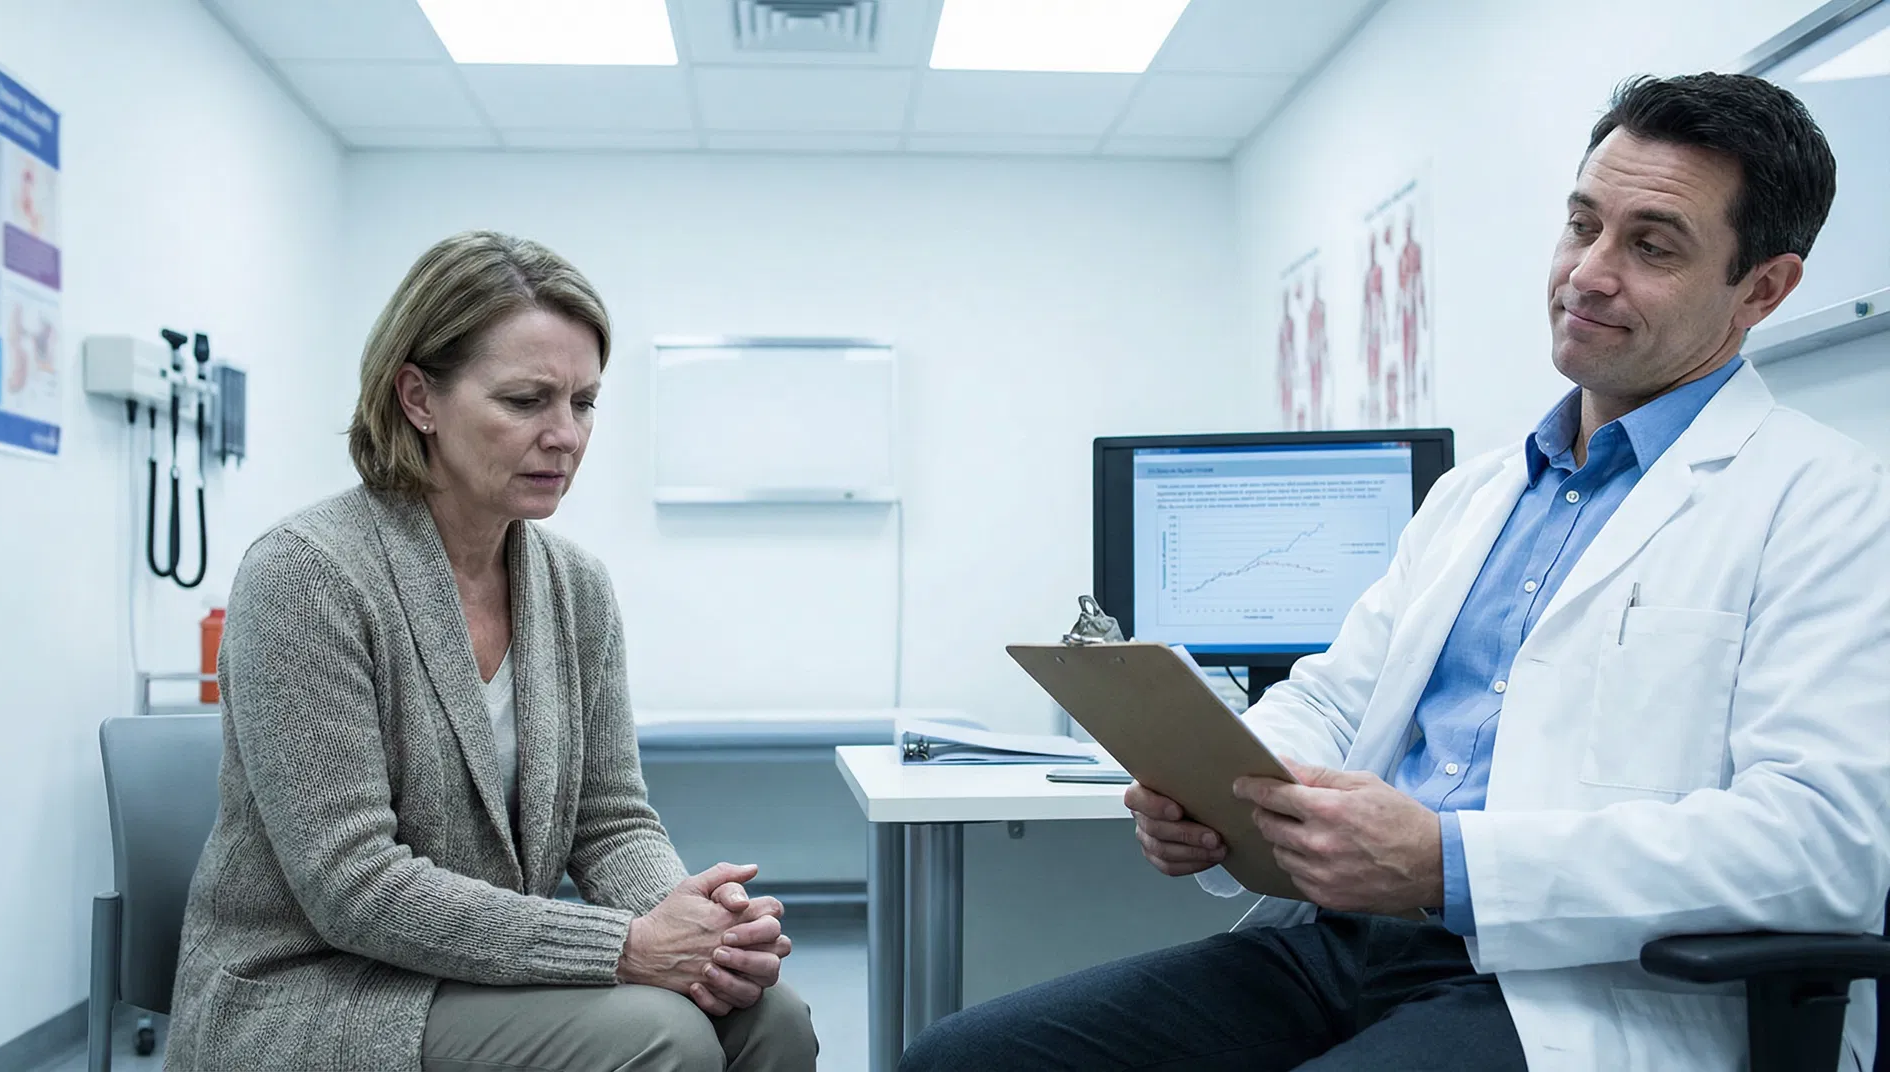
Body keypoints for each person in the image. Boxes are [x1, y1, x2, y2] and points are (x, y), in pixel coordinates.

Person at [903, 73, 1889, 1072]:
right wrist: (1221, 791)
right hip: (1347, 946)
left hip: (1587, 988)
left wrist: (1447, 864)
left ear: (1762, 288)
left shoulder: (1828, 505)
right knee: (965, 1057)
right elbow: (1334, 698)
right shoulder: (1478, 495)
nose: (1587, 272)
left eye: (1651, 245)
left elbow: (1824, 842)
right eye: (1582, 224)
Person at [166, 232, 820, 1072]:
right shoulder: (308, 576)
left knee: (771, 1016)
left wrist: (702, 927)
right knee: (668, 1040)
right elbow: (353, 885)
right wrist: (627, 945)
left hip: (479, 976)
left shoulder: (575, 587)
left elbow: (609, 819)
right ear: (418, 398)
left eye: (583, 403)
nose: (565, 436)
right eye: (525, 401)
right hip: (318, 988)